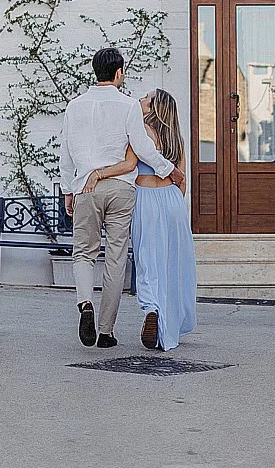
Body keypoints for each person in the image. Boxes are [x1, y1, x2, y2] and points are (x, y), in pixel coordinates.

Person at [60, 48, 184, 348]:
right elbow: (142, 148)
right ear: (118, 73)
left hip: (86, 187)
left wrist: (67, 190)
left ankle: (85, 303)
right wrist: (171, 171)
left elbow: (65, 152)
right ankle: (105, 331)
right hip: (121, 189)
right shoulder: (128, 105)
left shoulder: (74, 106)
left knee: (84, 253)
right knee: (115, 259)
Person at [83, 89, 197, 350]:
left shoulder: (142, 130)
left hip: (146, 198)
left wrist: (98, 174)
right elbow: (182, 179)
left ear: (155, 107)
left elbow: (128, 164)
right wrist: (175, 204)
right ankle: (166, 320)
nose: (140, 100)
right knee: (171, 263)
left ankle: (151, 309)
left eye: (146, 98)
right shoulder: (176, 137)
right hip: (172, 201)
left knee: (147, 260)